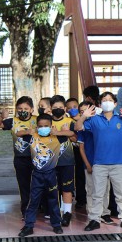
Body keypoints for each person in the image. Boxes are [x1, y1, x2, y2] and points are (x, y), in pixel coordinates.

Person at [75, 92, 122, 231]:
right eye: (104, 100)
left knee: (120, 194)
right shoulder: (94, 120)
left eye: (110, 100)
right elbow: (77, 128)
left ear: (115, 103)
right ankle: (94, 219)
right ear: (99, 105)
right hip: (99, 163)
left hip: (119, 163)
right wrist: (84, 116)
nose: (107, 102)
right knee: (97, 194)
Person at [18, 114, 68, 237]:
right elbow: (18, 133)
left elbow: (71, 134)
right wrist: (29, 130)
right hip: (36, 174)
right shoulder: (32, 136)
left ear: (51, 126)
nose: (43, 128)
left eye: (46, 126)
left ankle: (56, 224)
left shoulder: (57, 138)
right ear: (37, 126)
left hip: (51, 174)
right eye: (40, 126)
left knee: (53, 200)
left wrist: (58, 132)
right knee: (33, 200)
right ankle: (29, 226)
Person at [0, 96, 37, 218]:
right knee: (24, 185)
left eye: (26, 108)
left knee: (38, 184)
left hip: (37, 158)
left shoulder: (37, 120)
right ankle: (26, 210)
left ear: (32, 109)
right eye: (20, 108)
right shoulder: (13, 121)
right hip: (20, 158)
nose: (23, 110)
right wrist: (2, 116)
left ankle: (40, 208)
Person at [77, 101, 114, 225]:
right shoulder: (83, 127)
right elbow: (81, 149)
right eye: (81, 112)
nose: (85, 113)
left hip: (105, 163)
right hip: (90, 164)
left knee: (105, 190)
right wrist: (87, 164)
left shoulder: (102, 124)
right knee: (92, 189)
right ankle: (93, 214)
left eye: (86, 110)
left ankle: (105, 213)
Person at [50, 95, 76, 226]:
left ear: (65, 108)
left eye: (60, 107)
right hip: (50, 162)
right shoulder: (46, 121)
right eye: (55, 107)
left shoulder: (70, 121)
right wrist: (65, 133)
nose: (58, 109)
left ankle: (67, 213)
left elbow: (75, 138)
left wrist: (63, 132)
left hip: (67, 161)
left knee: (67, 188)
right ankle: (54, 213)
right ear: (50, 108)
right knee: (53, 188)